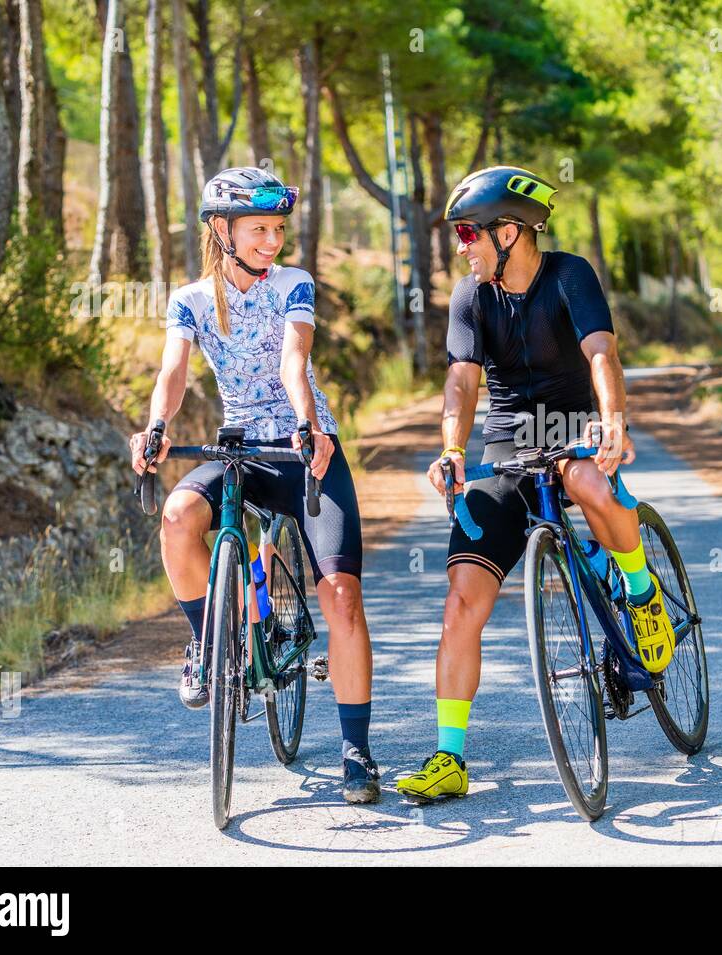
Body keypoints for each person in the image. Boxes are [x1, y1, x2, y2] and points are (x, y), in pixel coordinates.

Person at [394, 165, 677, 802]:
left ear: (512, 231)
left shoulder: (570, 274)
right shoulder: (470, 298)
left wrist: (611, 421)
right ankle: (449, 755)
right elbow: (463, 381)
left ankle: (640, 589)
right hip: (508, 447)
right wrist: (450, 448)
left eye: (468, 231)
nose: (460, 246)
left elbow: (601, 352)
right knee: (462, 599)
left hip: (574, 428)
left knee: (593, 488)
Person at [128, 167, 380, 803]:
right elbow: (174, 372)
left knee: (342, 596)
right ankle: (206, 642)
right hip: (240, 446)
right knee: (180, 514)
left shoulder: (293, 284)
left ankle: (357, 750)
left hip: (304, 447)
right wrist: (156, 426)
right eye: (259, 229)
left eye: (277, 229)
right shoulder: (188, 299)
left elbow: (294, 360)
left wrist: (307, 424)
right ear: (222, 231)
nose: (273, 240)